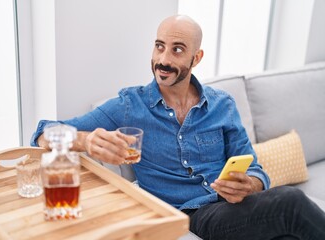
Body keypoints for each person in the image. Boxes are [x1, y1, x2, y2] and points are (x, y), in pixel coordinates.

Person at [31, 15, 325, 239]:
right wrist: (85, 141)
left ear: (196, 58)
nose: (163, 60)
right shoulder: (129, 105)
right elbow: (43, 131)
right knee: (291, 202)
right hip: (195, 214)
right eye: (160, 46)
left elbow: (255, 168)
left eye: (177, 50)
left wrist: (251, 184)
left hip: (239, 208)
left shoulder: (222, 105)